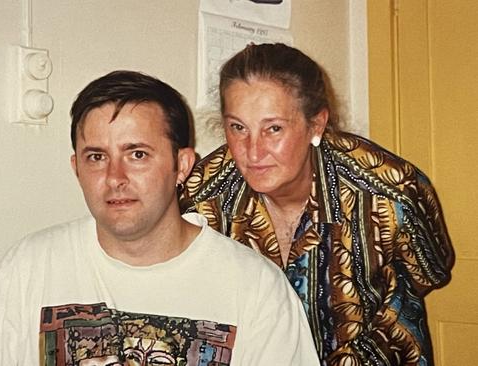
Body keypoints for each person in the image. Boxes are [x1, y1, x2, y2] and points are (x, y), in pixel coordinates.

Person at [0, 70, 318, 365]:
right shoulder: (27, 269)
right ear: (76, 167)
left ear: (182, 166)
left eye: (137, 154)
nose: (115, 178)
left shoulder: (255, 289)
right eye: (97, 157)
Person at [180, 43, 455, 365]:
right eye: (238, 128)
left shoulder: (389, 190)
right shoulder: (203, 195)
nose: (252, 152)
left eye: (274, 129)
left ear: (316, 124)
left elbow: (430, 271)